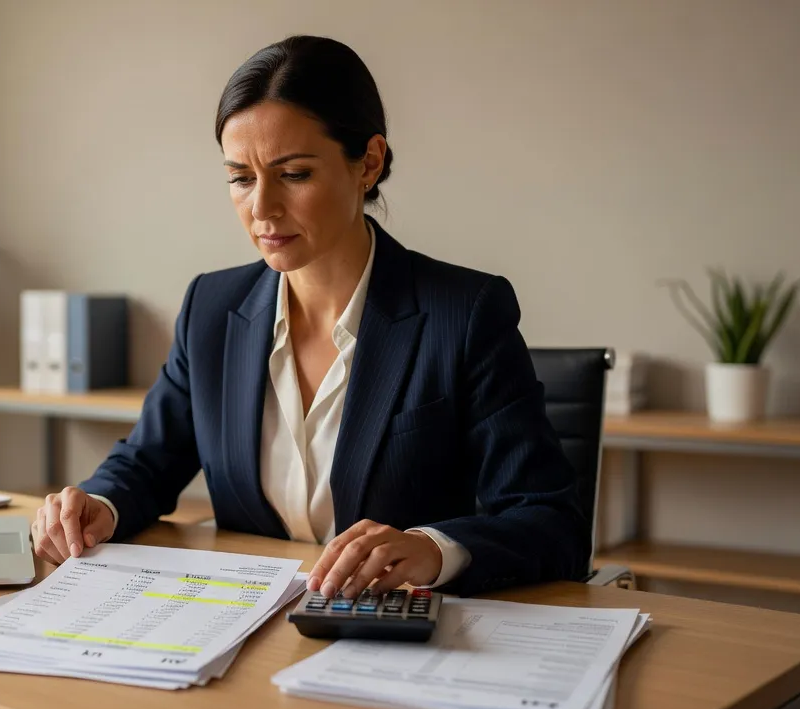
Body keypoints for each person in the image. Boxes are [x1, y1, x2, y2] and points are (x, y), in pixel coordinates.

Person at [31, 34, 588, 600]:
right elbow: (148, 461)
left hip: (395, 633)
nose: (262, 209)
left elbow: (550, 522)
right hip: (244, 626)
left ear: (368, 162)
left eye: (294, 174)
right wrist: (97, 503)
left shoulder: (464, 313)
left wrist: (432, 547)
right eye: (241, 178)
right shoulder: (211, 308)